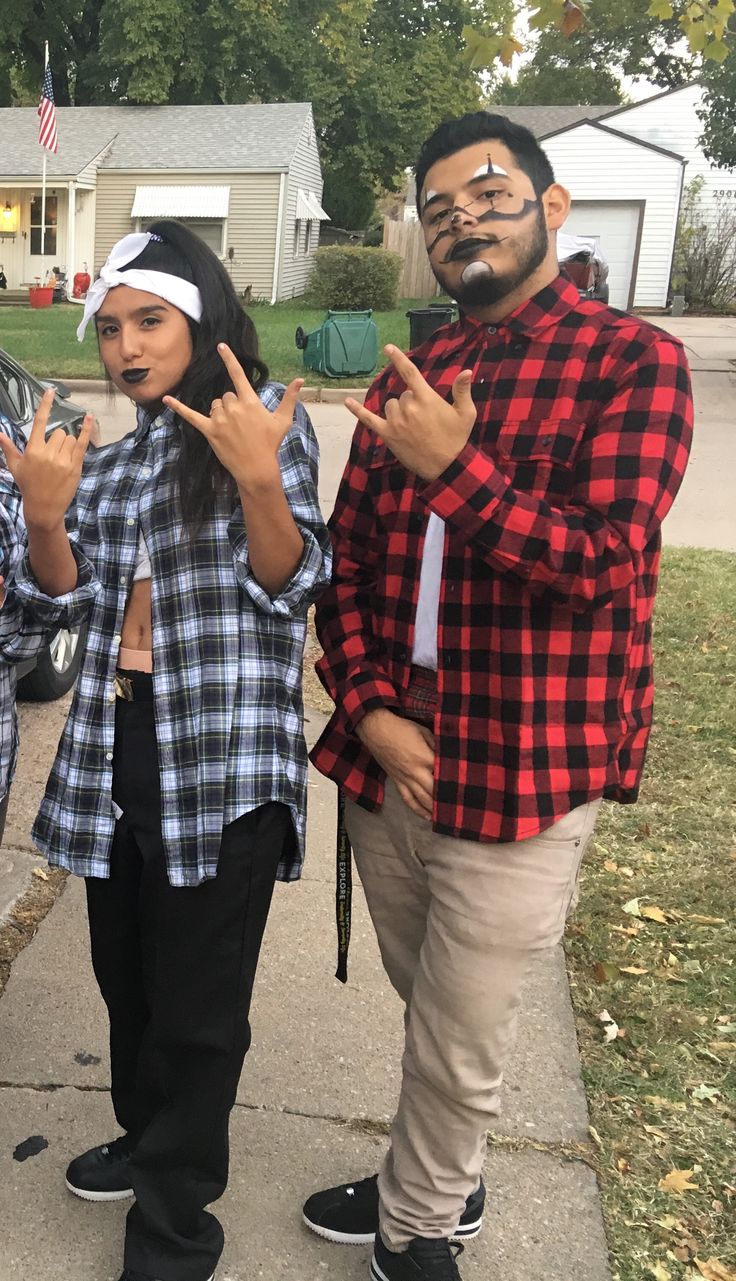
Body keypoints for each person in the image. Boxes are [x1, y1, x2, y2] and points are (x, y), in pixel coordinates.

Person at [302, 113, 693, 1281]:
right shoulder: (415, 378)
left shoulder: (632, 362)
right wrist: (368, 707)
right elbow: (351, 564)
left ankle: (417, 1231)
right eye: (437, 209)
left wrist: (455, 471)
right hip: (394, 760)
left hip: (525, 764)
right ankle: (445, 1178)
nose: (459, 216)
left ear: (552, 206)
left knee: (462, 1036)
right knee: (424, 1003)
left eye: (486, 191)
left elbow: (602, 563)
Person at [0, 220, 331, 1281]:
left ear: (202, 320)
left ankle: (176, 1227)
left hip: (223, 756)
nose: (125, 348)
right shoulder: (121, 454)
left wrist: (260, 482)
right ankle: (149, 1144)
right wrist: (45, 515)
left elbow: (290, 586)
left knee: (198, 1010)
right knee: (128, 983)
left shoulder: (268, 425)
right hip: (114, 744)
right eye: (109, 330)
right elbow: (67, 594)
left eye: (149, 322)